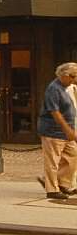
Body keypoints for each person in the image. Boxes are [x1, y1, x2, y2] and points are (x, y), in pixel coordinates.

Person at [37, 62, 77, 200]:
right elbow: (54, 112)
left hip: (66, 131)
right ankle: (52, 189)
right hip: (53, 131)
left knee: (73, 156)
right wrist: (67, 129)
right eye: (72, 76)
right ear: (63, 75)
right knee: (53, 161)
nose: (74, 79)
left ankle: (62, 183)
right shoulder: (53, 89)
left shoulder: (66, 88)